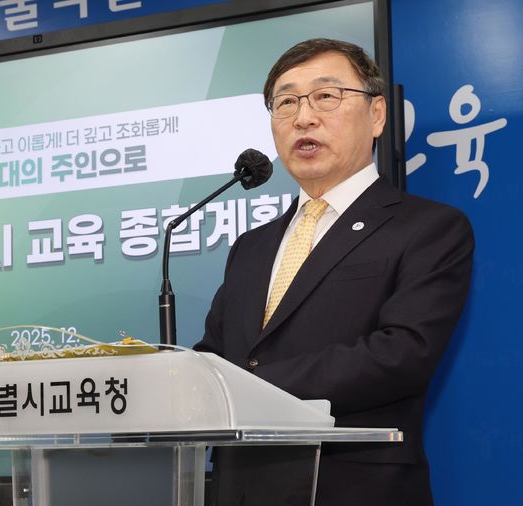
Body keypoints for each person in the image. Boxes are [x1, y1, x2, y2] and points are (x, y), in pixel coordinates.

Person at [194, 38, 474, 506]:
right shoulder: (251, 246)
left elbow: (403, 353)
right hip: (240, 489)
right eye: (286, 103)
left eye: (326, 96)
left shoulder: (428, 228)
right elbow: (216, 354)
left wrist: (247, 386)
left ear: (377, 115)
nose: (303, 118)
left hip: (357, 489)